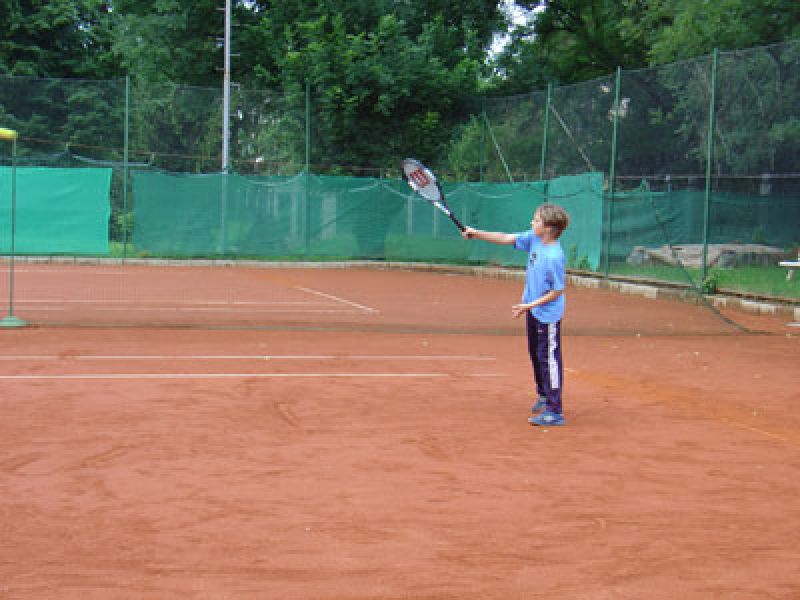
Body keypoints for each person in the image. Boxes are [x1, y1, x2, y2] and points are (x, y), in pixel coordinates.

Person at [462, 203, 570, 426]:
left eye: (536, 220)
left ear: (548, 228)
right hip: (532, 309)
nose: (532, 222)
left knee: (549, 358)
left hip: (547, 314)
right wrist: (476, 233)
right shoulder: (534, 239)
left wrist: (529, 305)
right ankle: (543, 394)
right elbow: (506, 238)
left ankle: (554, 410)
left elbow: (557, 291)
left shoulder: (554, 257)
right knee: (535, 354)